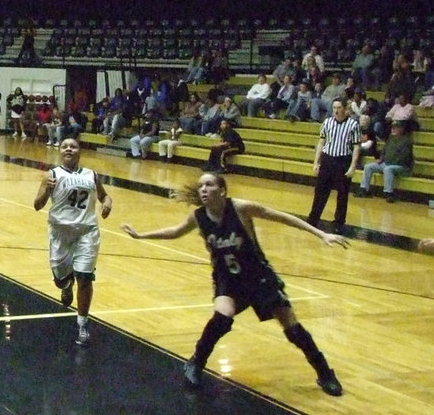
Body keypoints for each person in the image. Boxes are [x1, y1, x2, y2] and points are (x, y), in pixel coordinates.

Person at [120, 173, 347, 396]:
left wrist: (320, 234)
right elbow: (176, 231)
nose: (203, 190)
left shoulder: (240, 208)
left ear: (222, 190)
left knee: (292, 327)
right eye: (201, 186)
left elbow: (281, 216)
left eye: (209, 185)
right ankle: (196, 362)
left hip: (258, 276)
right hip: (227, 279)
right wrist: (141, 236)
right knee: (222, 317)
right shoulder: (198, 217)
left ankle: (325, 373)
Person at [33, 138, 112, 346]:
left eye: (73, 146)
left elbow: (105, 196)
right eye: (65, 146)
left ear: (79, 151)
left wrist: (107, 204)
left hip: (87, 232)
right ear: (60, 151)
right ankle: (65, 285)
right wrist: (47, 189)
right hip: (60, 233)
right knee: (61, 278)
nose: (69, 148)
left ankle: (83, 324)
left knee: (85, 278)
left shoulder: (91, 175)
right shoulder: (52, 175)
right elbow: (37, 205)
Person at [307, 99, 361, 232]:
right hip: (327, 159)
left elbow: (356, 147)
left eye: (339, 107)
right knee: (320, 191)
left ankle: (339, 223)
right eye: (334, 108)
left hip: (343, 160)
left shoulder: (353, 124)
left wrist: (353, 167)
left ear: (345, 109)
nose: (336, 110)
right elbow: (321, 142)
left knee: (342, 194)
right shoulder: (327, 122)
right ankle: (313, 219)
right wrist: (316, 163)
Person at [357, 120, 414, 202]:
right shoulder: (390, 139)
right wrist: (381, 158)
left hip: (402, 166)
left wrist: (388, 162)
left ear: (401, 129)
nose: (393, 130)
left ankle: (389, 193)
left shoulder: (407, 141)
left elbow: (405, 157)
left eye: (395, 128)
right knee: (368, 166)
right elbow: (384, 151)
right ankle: (364, 189)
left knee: (388, 169)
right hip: (387, 163)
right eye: (392, 128)